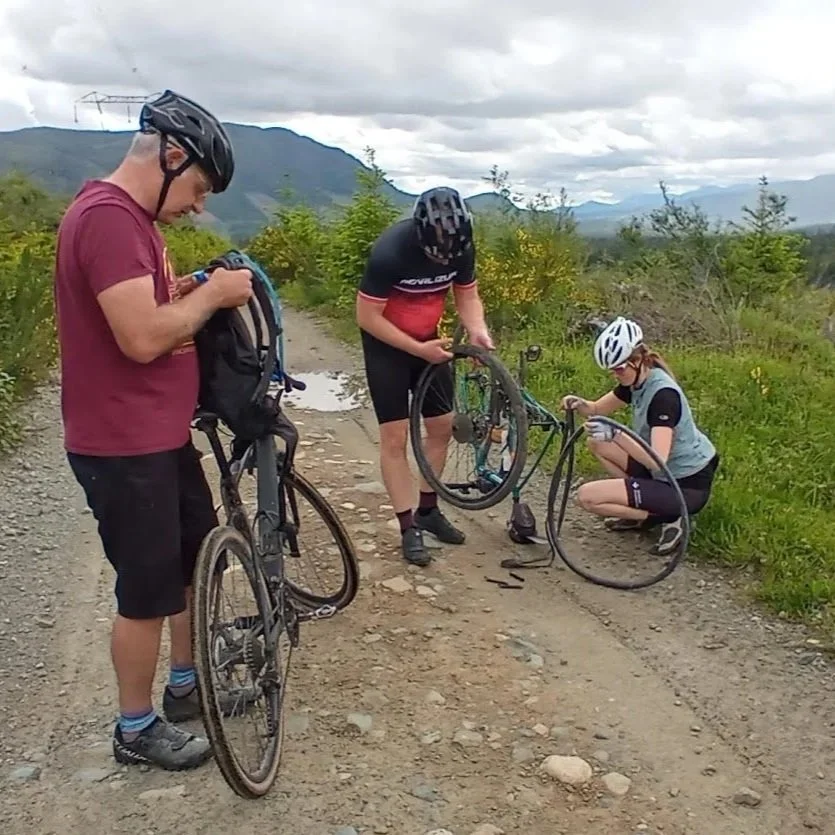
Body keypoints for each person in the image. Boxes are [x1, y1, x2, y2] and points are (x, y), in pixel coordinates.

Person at [54, 89, 255, 771]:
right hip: (122, 443)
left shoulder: (133, 223)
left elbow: (144, 303)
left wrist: (191, 284)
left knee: (191, 561)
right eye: (198, 187)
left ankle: (185, 685)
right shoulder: (109, 219)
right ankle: (134, 728)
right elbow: (140, 337)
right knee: (145, 590)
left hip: (157, 436)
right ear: (171, 156)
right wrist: (214, 296)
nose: (198, 205)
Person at [356, 186, 493, 567]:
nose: (442, 259)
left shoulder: (462, 245)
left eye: (448, 254)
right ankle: (407, 527)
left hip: (429, 342)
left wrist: (478, 330)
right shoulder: (391, 251)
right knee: (395, 437)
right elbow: (366, 317)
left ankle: (428, 510)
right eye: (435, 254)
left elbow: (467, 295)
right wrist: (417, 350)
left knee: (441, 427)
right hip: (386, 346)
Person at [561, 316, 719, 555]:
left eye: (619, 368)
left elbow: (658, 461)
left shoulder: (664, 397)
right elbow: (596, 409)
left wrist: (616, 434)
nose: (615, 374)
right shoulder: (635, 381)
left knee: (587, 497)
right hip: (663, 474)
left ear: (637, 360)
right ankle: (643, 504)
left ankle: (667, 516)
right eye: (612, 370)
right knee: (597, 442)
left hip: (684, 484)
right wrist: (579, 403)